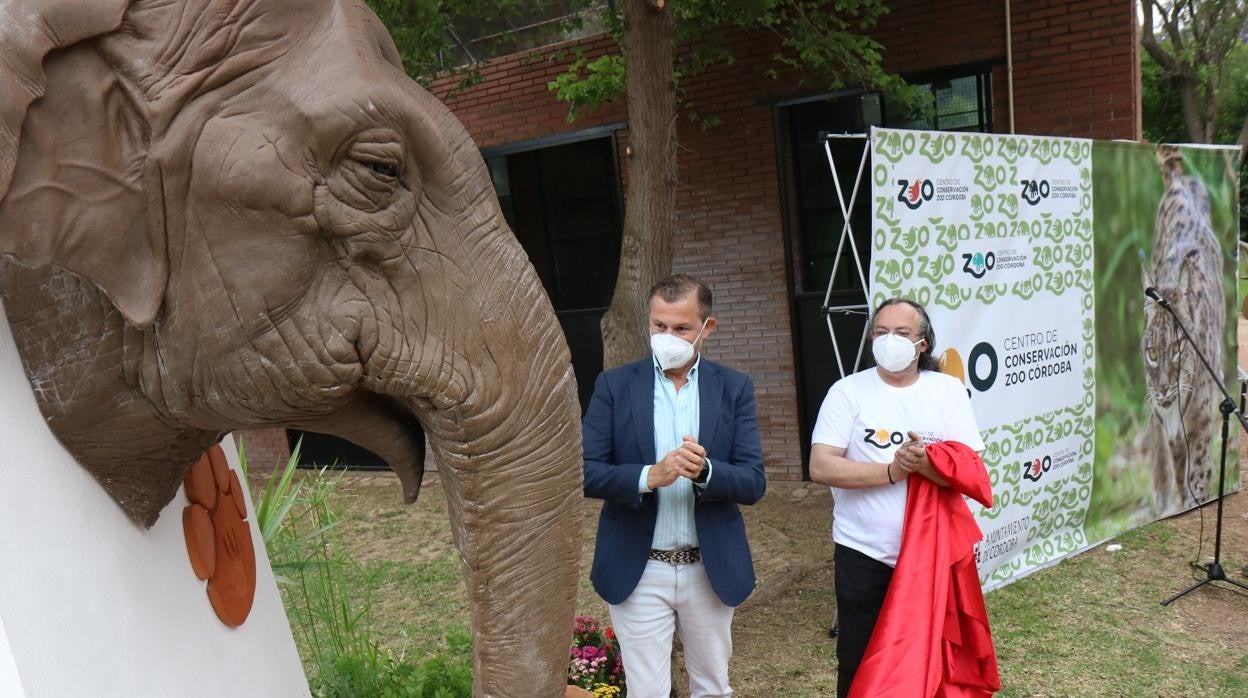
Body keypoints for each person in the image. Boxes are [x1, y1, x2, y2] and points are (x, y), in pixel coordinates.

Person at [582, 274, 766, 698]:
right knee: (646, 691)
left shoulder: (734, 388)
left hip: (710, 566)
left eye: (681, 328)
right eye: (658, 326)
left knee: (713, 687)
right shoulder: (615, 385)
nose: (668, 336)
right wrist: (650, 476)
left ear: (707, 328)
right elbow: (586, 470)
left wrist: (706, 472)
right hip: (639, 566)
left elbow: (753, 481)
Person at [809, 297, 985, 698]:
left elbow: (968, 469)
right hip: (864, 554)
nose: (890, 341)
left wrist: (926, 463)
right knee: (860, 660)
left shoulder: (947, 391)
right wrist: (892, 470)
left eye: (902, 333)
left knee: (930, 659)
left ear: (922, 344)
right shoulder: (847, 392)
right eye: (882, 332)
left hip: (931, 557)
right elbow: (821, 467)